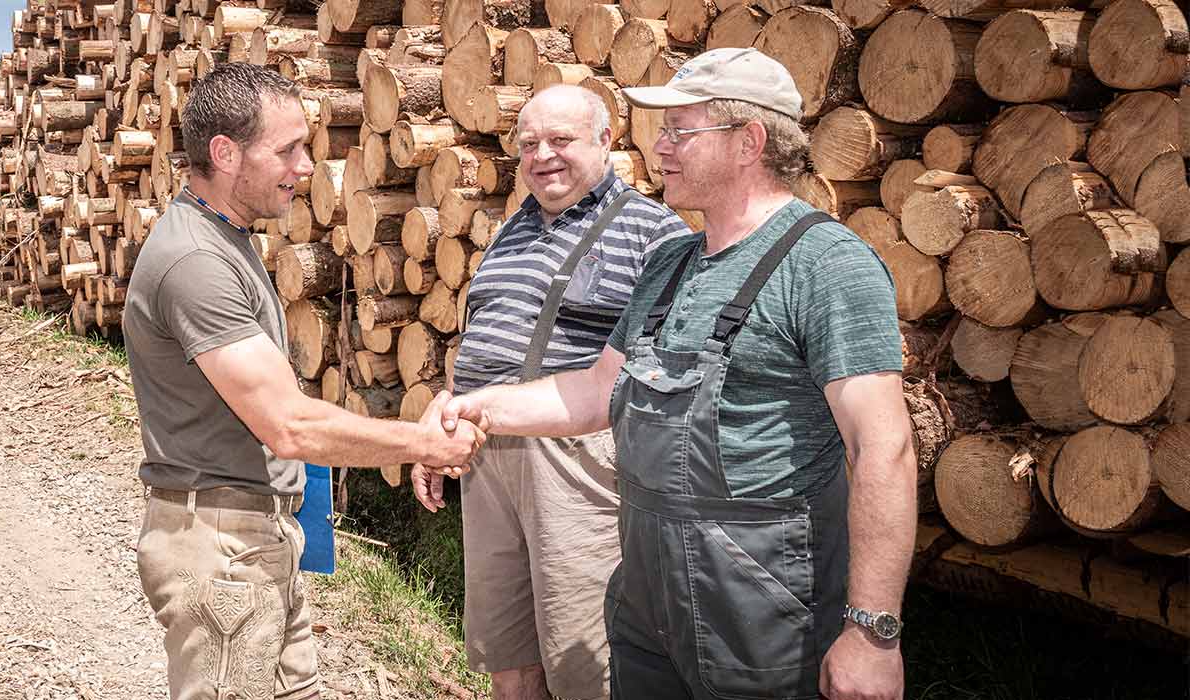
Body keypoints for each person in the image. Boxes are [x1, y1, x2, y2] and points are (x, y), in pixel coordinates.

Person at [437, 48, 916, 700]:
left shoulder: (827, 264)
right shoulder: (671, 264)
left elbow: (882, 448)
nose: (658, 148)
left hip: (760, 597)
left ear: (749, 142)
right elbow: (596, 390)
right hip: (646, 588)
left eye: (678, 131)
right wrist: (472, 408)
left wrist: (871, 630)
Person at [122, 62, 486, 700]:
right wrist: (422, 444)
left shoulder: (228, 239)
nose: (304, 167)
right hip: (223, 552)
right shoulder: (197, 262)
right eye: (287, 150)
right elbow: (287, 424)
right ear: (226, 153)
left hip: (254, 543)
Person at [409, 85, 691, 700]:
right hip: (486, 449)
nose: (542, 156)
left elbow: (661, 370)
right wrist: (445, 412)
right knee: (504, 640)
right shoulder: (515, 228)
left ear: (606, 142)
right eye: (529, 142)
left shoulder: (655, 232)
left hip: (576, 458)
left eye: (560, 140)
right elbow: (485, 331)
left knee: (582, 648)